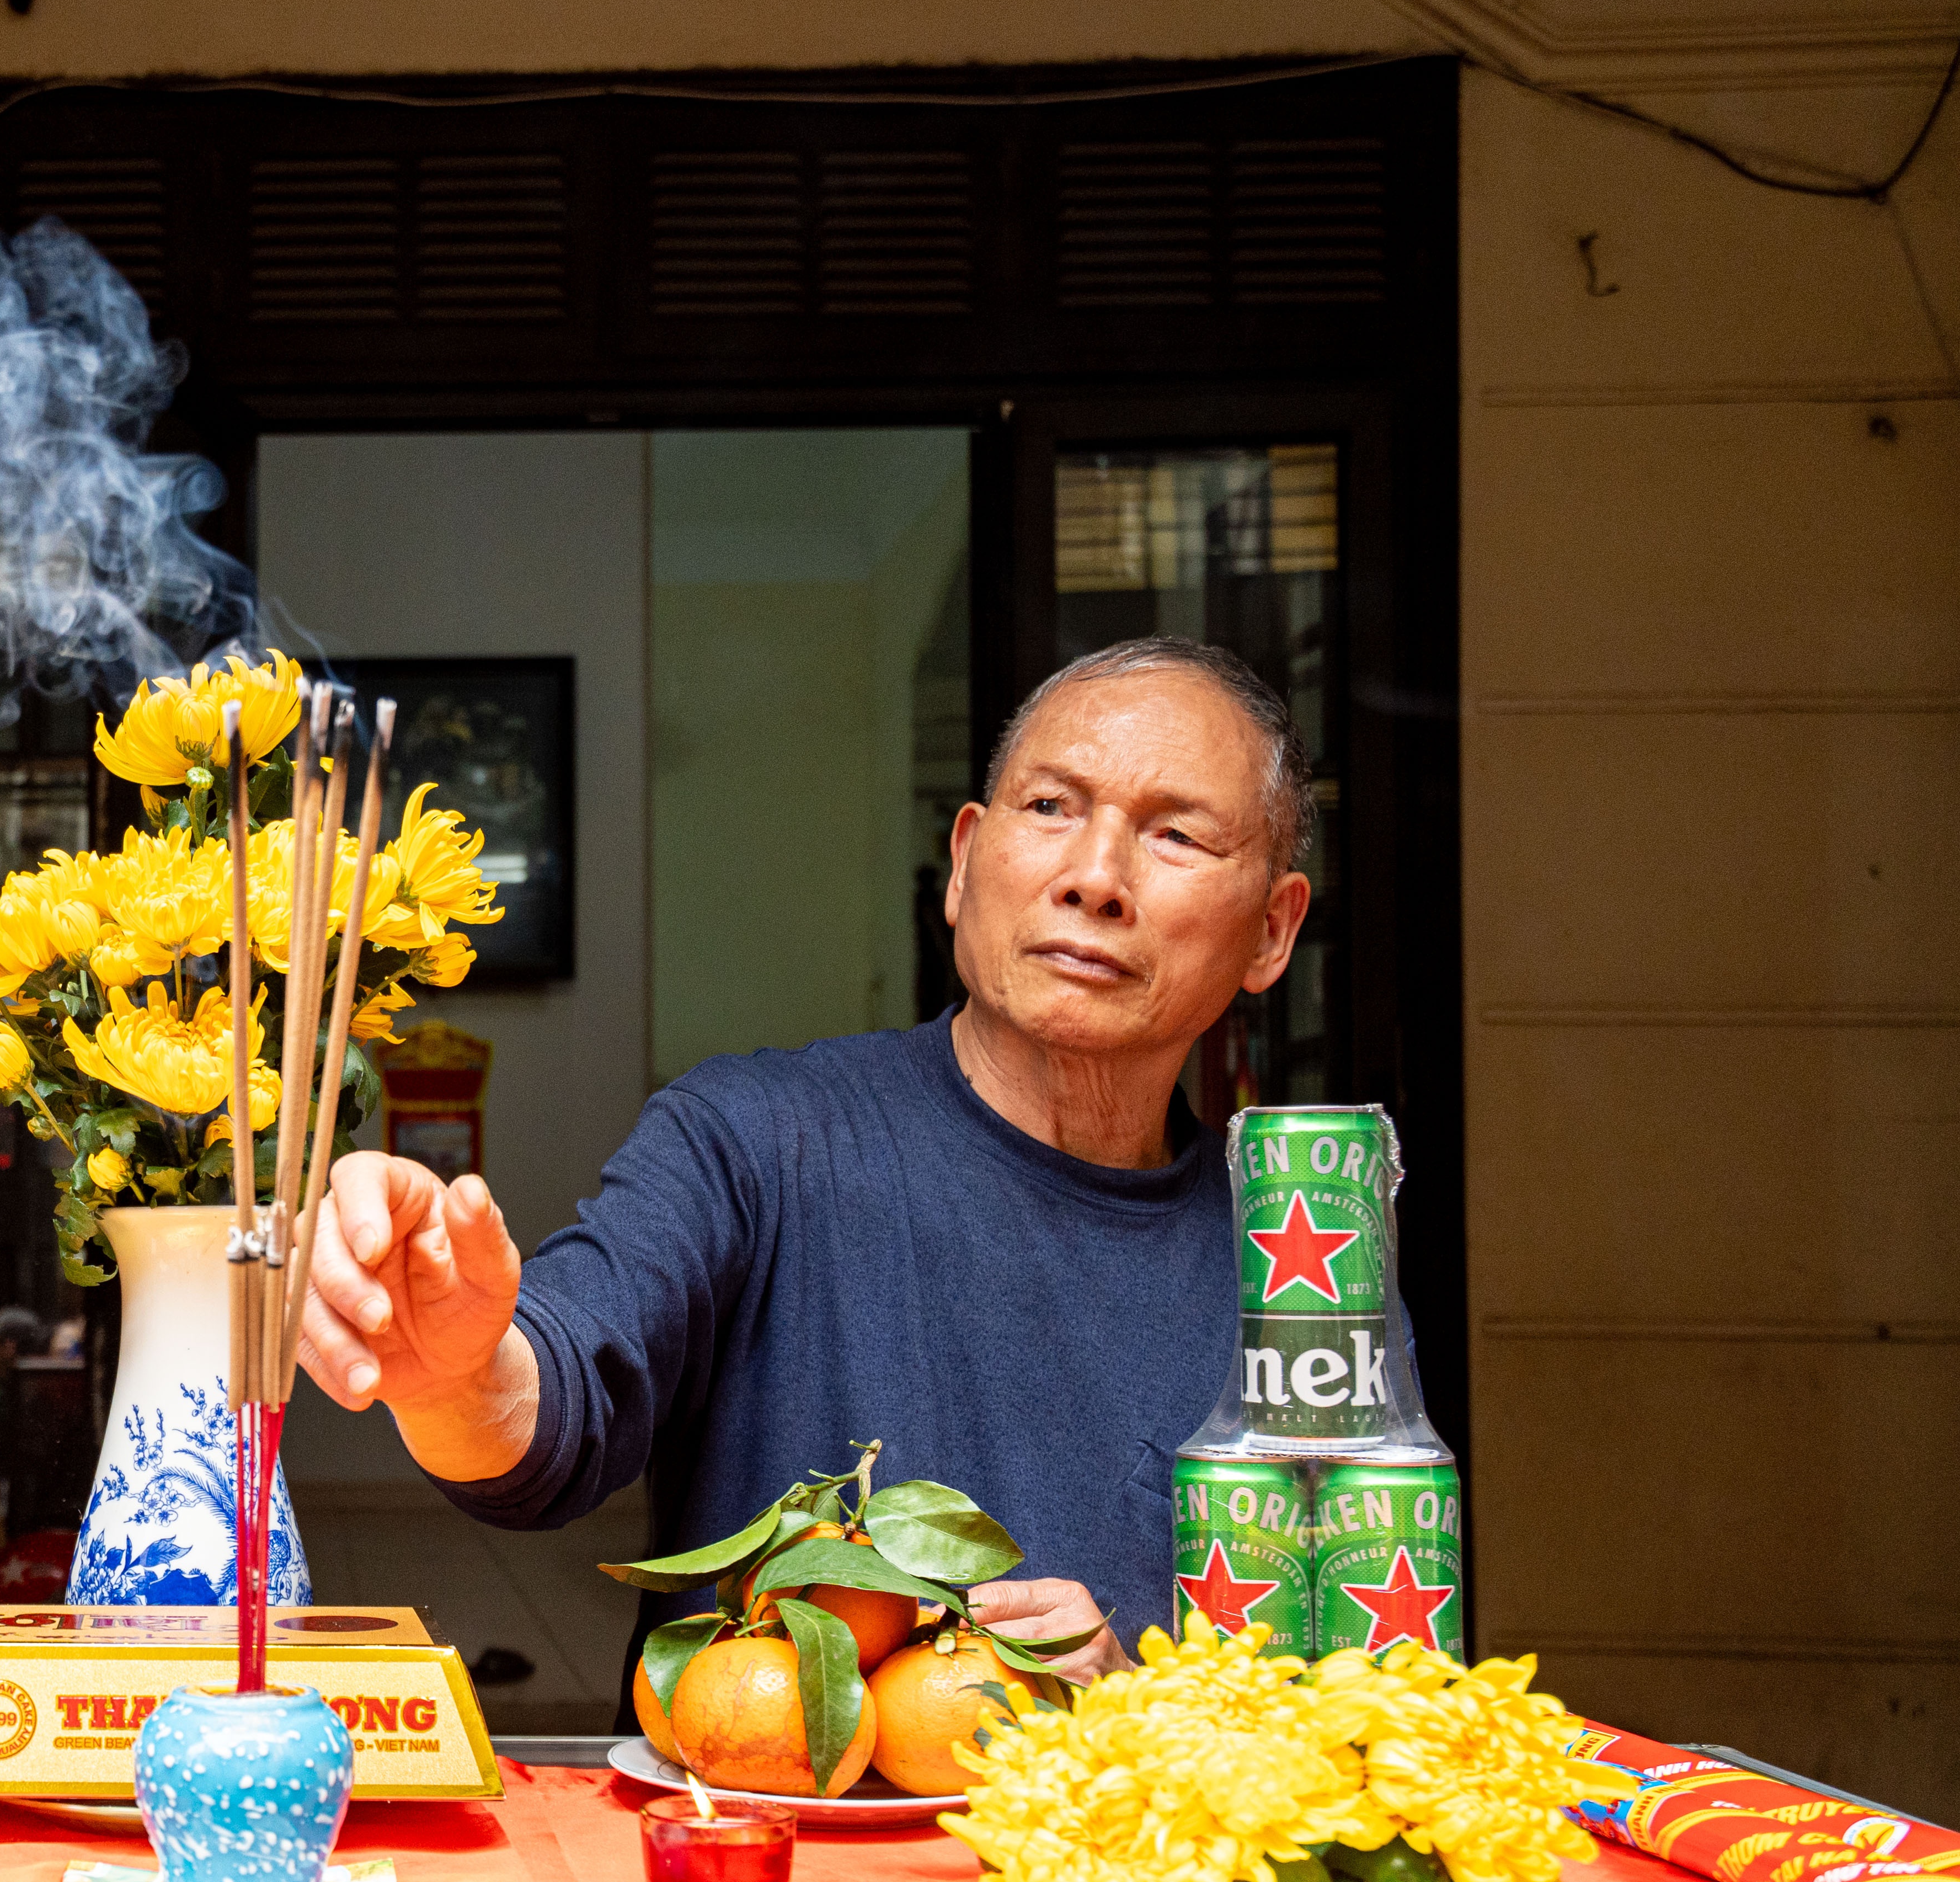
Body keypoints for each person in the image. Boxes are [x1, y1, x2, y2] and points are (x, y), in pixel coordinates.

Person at [298, 635, 1317, 1687]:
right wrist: (460, 1375)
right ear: (964, 864)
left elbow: (1360, 1694)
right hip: (762, 1840)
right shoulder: (753, 1138)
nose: (1094, 878)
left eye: (1176, 835)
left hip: (1117, 1847)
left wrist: (1139, 1701)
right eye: (1050, 809)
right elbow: (560, 1391)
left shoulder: (1305, 1264)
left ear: (1271, 934)